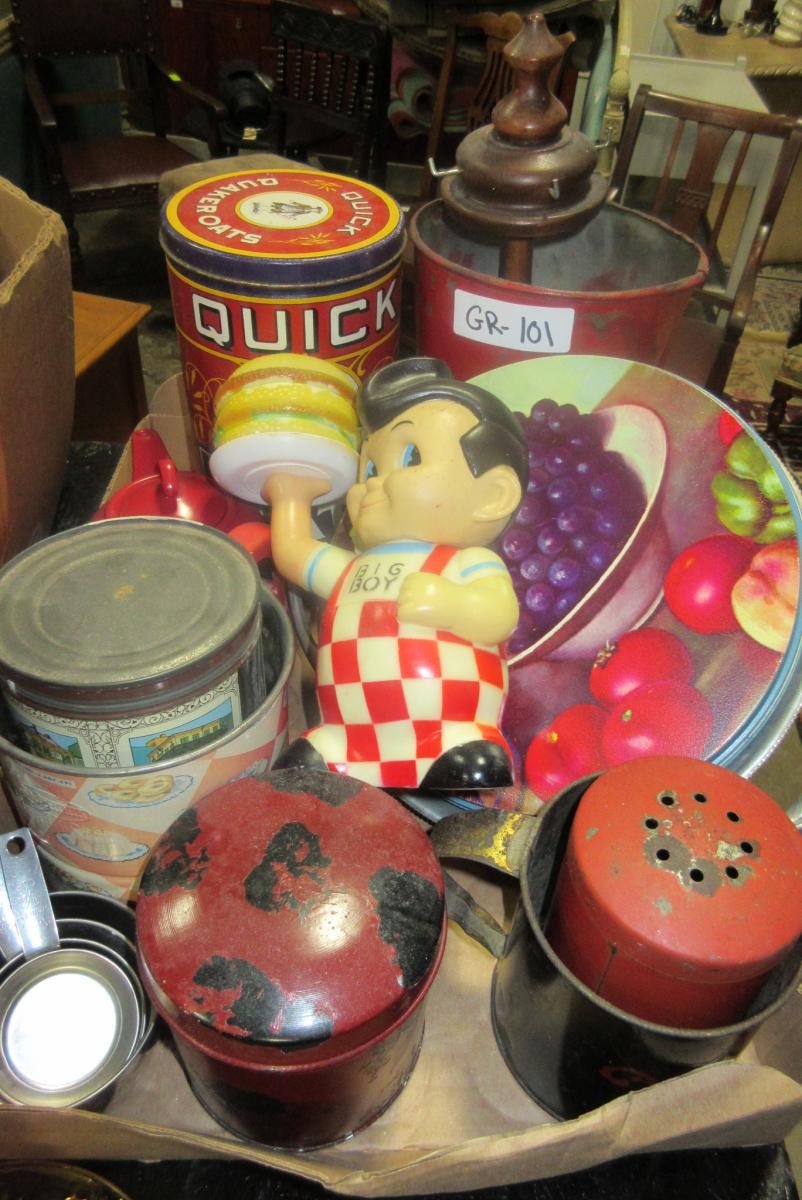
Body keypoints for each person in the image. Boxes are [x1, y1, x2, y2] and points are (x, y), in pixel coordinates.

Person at [269, 356, 527, 791]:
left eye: (411, 457)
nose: (373, 483)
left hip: (444, 732)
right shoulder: (351, 567)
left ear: (493, 496)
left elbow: (500, 615)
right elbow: (294, 553)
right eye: (370, 469)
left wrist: (455, 604)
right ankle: (336, 750)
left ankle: (459, 747)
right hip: (350, 737)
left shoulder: (465, 562)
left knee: (463, 757)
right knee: (310, 764)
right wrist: (289, 497)